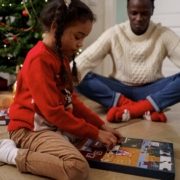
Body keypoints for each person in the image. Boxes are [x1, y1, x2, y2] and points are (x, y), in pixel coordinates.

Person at [0, 0, 122, 179]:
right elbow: (54, 113)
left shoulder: (61, 56)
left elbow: (71, 101)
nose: (80, 44)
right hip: (29, 129)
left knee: (92, 139)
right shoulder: (39, 60)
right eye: (77, 36)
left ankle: (59, 140)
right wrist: (96, 132)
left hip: (50, 125)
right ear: (56, 27)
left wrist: (101, 125)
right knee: (76, 167)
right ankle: (10, 153)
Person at [74, 0, 180, 123]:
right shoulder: (114, 33)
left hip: (151, 90)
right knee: (79, 74)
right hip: (119, 90)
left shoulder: (163, 34)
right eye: (134, 13)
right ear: (127, 10)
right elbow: (83, 61)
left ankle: (135, 109)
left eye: (144, 13)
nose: (139, 18)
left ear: (152, 10)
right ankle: (144, 108)